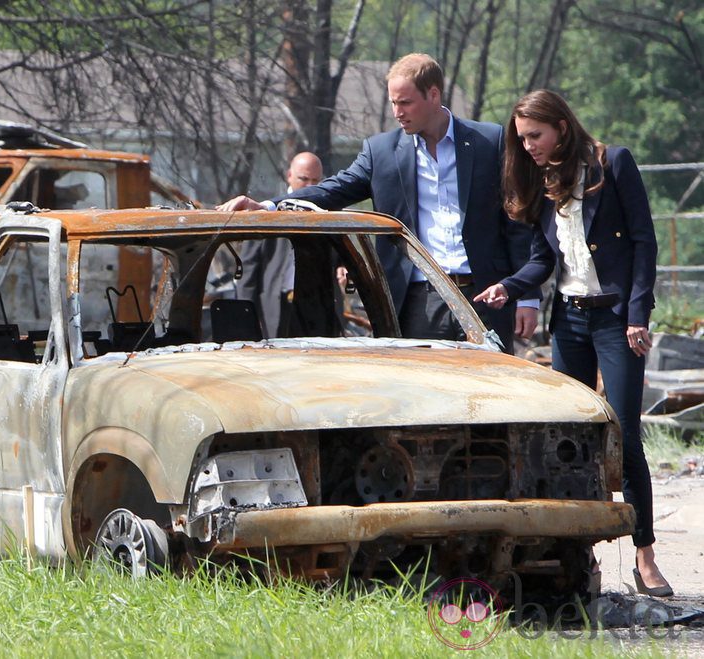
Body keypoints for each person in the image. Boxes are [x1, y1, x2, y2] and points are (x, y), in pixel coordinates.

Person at [474, 89, 671, 597]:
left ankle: (645, 556)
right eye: (522, 138)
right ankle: (575, 556)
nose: (529, 145)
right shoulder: (541, 181)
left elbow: (645, 243)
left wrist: (637, 314)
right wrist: (509, 286)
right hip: (569, 324)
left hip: (615, 322)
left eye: (535, 135)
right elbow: (544, 259)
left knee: (624, 434)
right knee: (571, 440)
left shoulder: (614, 163)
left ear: (561, 126)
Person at [217, 53, 538, 352]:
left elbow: (517, 222)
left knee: (490, 395)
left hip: (486, 296)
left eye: (406, 103)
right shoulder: (381, 152)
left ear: (434, 95)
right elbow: (332, 190)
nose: (397, 112)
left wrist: (526, 296)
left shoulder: (489, 141)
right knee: (420, 395)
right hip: (418, 300)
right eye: (394, 103)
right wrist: (271, 206)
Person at [234, 152, 323, 337]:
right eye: (304, 179)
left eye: (316, 180)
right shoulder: (267, 213)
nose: (310, 186)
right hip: (274, 304)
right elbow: (248, 270)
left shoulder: (326, 214)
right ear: (289, 176)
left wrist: (342, 268)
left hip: (315, 306)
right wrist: (247, 316)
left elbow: (337, 257)